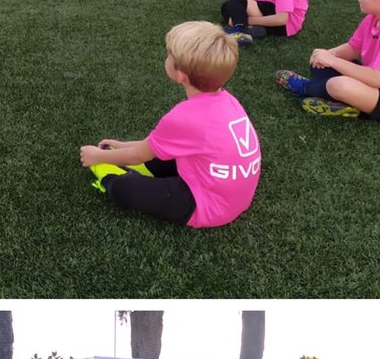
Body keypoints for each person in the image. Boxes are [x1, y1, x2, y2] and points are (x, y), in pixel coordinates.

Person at [79, 21, 260, 228]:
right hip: (228, 195)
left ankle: (106, 172)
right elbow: (158, 144)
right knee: (162, 153)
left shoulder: (185, 117)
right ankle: (132, 166)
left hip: (205, 205)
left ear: (181, 75)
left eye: (169, 55)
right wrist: (123, 145)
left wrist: (98, 156)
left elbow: (141, 154)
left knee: (125, 188)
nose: (166, 58)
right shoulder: (229, 101)